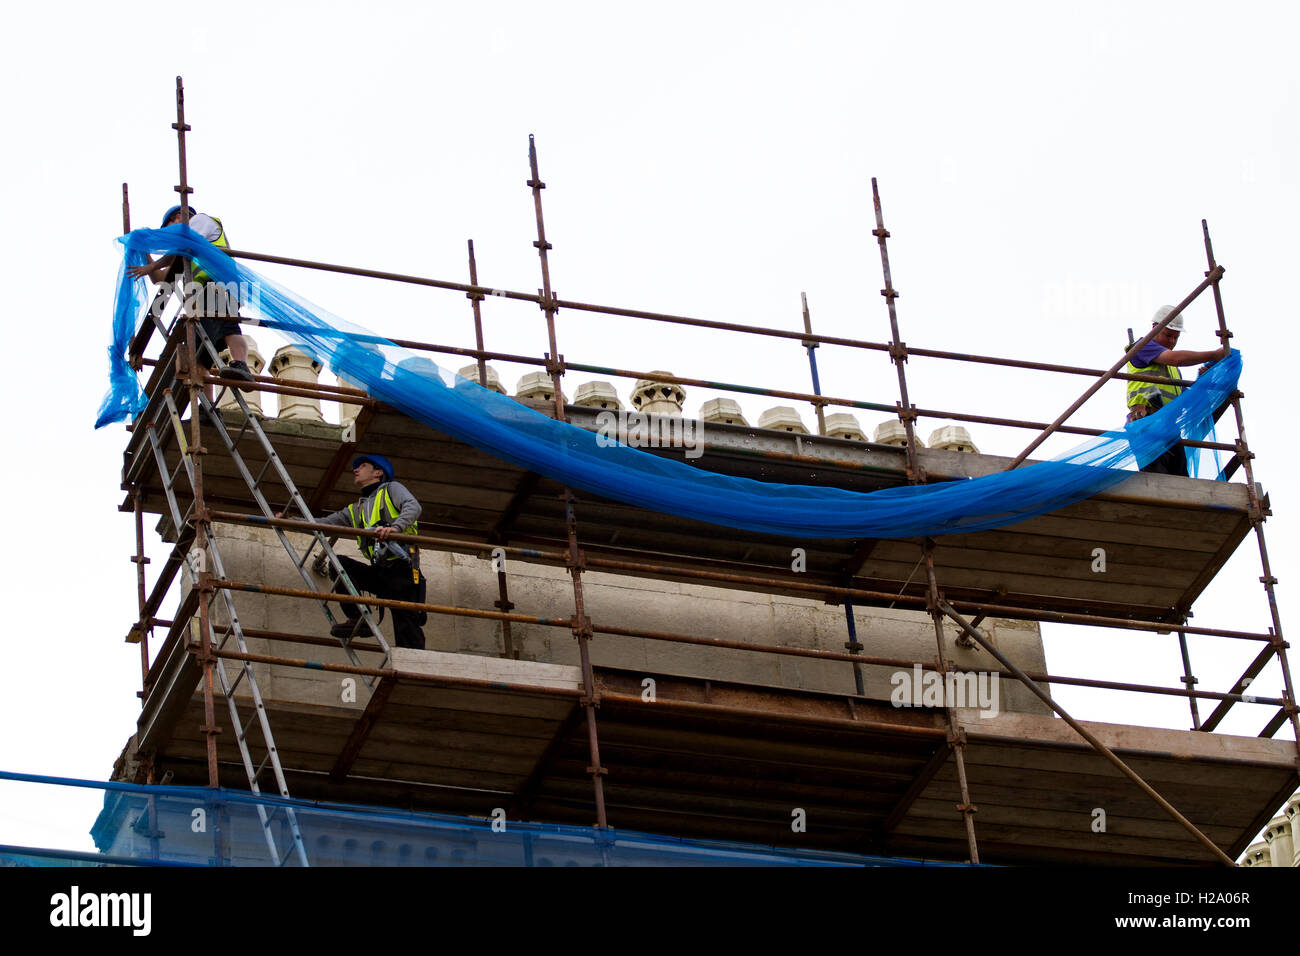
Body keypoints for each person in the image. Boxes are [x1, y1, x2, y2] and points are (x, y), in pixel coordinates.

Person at [128, 205, 254, 384]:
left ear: (178, 217)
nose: (169, 237)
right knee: (200, 359)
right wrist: (145, 254)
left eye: (169, 229)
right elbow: (160, 278)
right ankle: (209, 400)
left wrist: (152, 265)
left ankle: (241, 364)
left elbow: (184, 247)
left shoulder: (200, 221)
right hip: (203, 295)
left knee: (228, 328)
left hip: (217, 283)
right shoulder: (183, 255)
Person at [313, 454, 426, 650]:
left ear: (378, 472)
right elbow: (322, 525)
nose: (356, 469)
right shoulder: (357, 508)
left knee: (406, 625)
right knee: (339, 564)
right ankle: (359, 619)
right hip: (380, 570)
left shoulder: (392, 489)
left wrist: (396, 528)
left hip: (402, 570)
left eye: (363, 466)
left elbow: (413, 506)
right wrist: (288, 521)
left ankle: (415, 664)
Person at [1124, 305, 1228, 476]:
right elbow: (1176, 358)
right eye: (1168, 335)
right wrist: (1213, 355)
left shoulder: (1171, 369)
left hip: (1169, 429)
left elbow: (1186, 401)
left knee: (1180, 482)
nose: (1172, 341)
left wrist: (1202, 381)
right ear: (1154, 328)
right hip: (1146, 424)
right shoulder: (1143, 346)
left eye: (1176, 337)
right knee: (1157, 481)